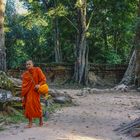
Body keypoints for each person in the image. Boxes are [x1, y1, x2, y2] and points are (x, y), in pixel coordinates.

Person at [21, 60, 46, 128]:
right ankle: (30, 123)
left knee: (37, 105)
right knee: (28, 106)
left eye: (29, 64)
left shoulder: (37, 70)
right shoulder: (25, 74)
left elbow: (43, 79)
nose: (28, 65)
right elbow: (24, 85)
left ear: (33, 64)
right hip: (28, 92)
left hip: (35, 91)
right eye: (27, 64)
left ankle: (41, 120)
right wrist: (23, 95)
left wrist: (39, 85)